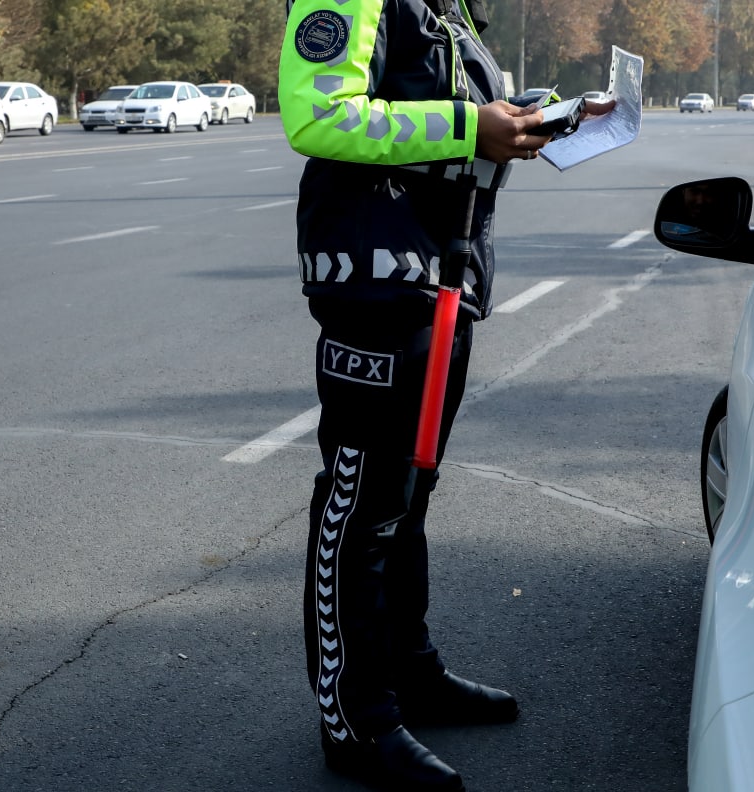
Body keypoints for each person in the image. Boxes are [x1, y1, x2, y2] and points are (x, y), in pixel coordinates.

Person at [278, 1, 613, 789]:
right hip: (374, 276)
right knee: (360, 503)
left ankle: (408, 673)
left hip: (442, 275)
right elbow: (318, 115)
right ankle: (355, 720)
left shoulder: (445, 8)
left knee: (409, 490)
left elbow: (446, 104)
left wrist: (539, 118)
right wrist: (470, 128)